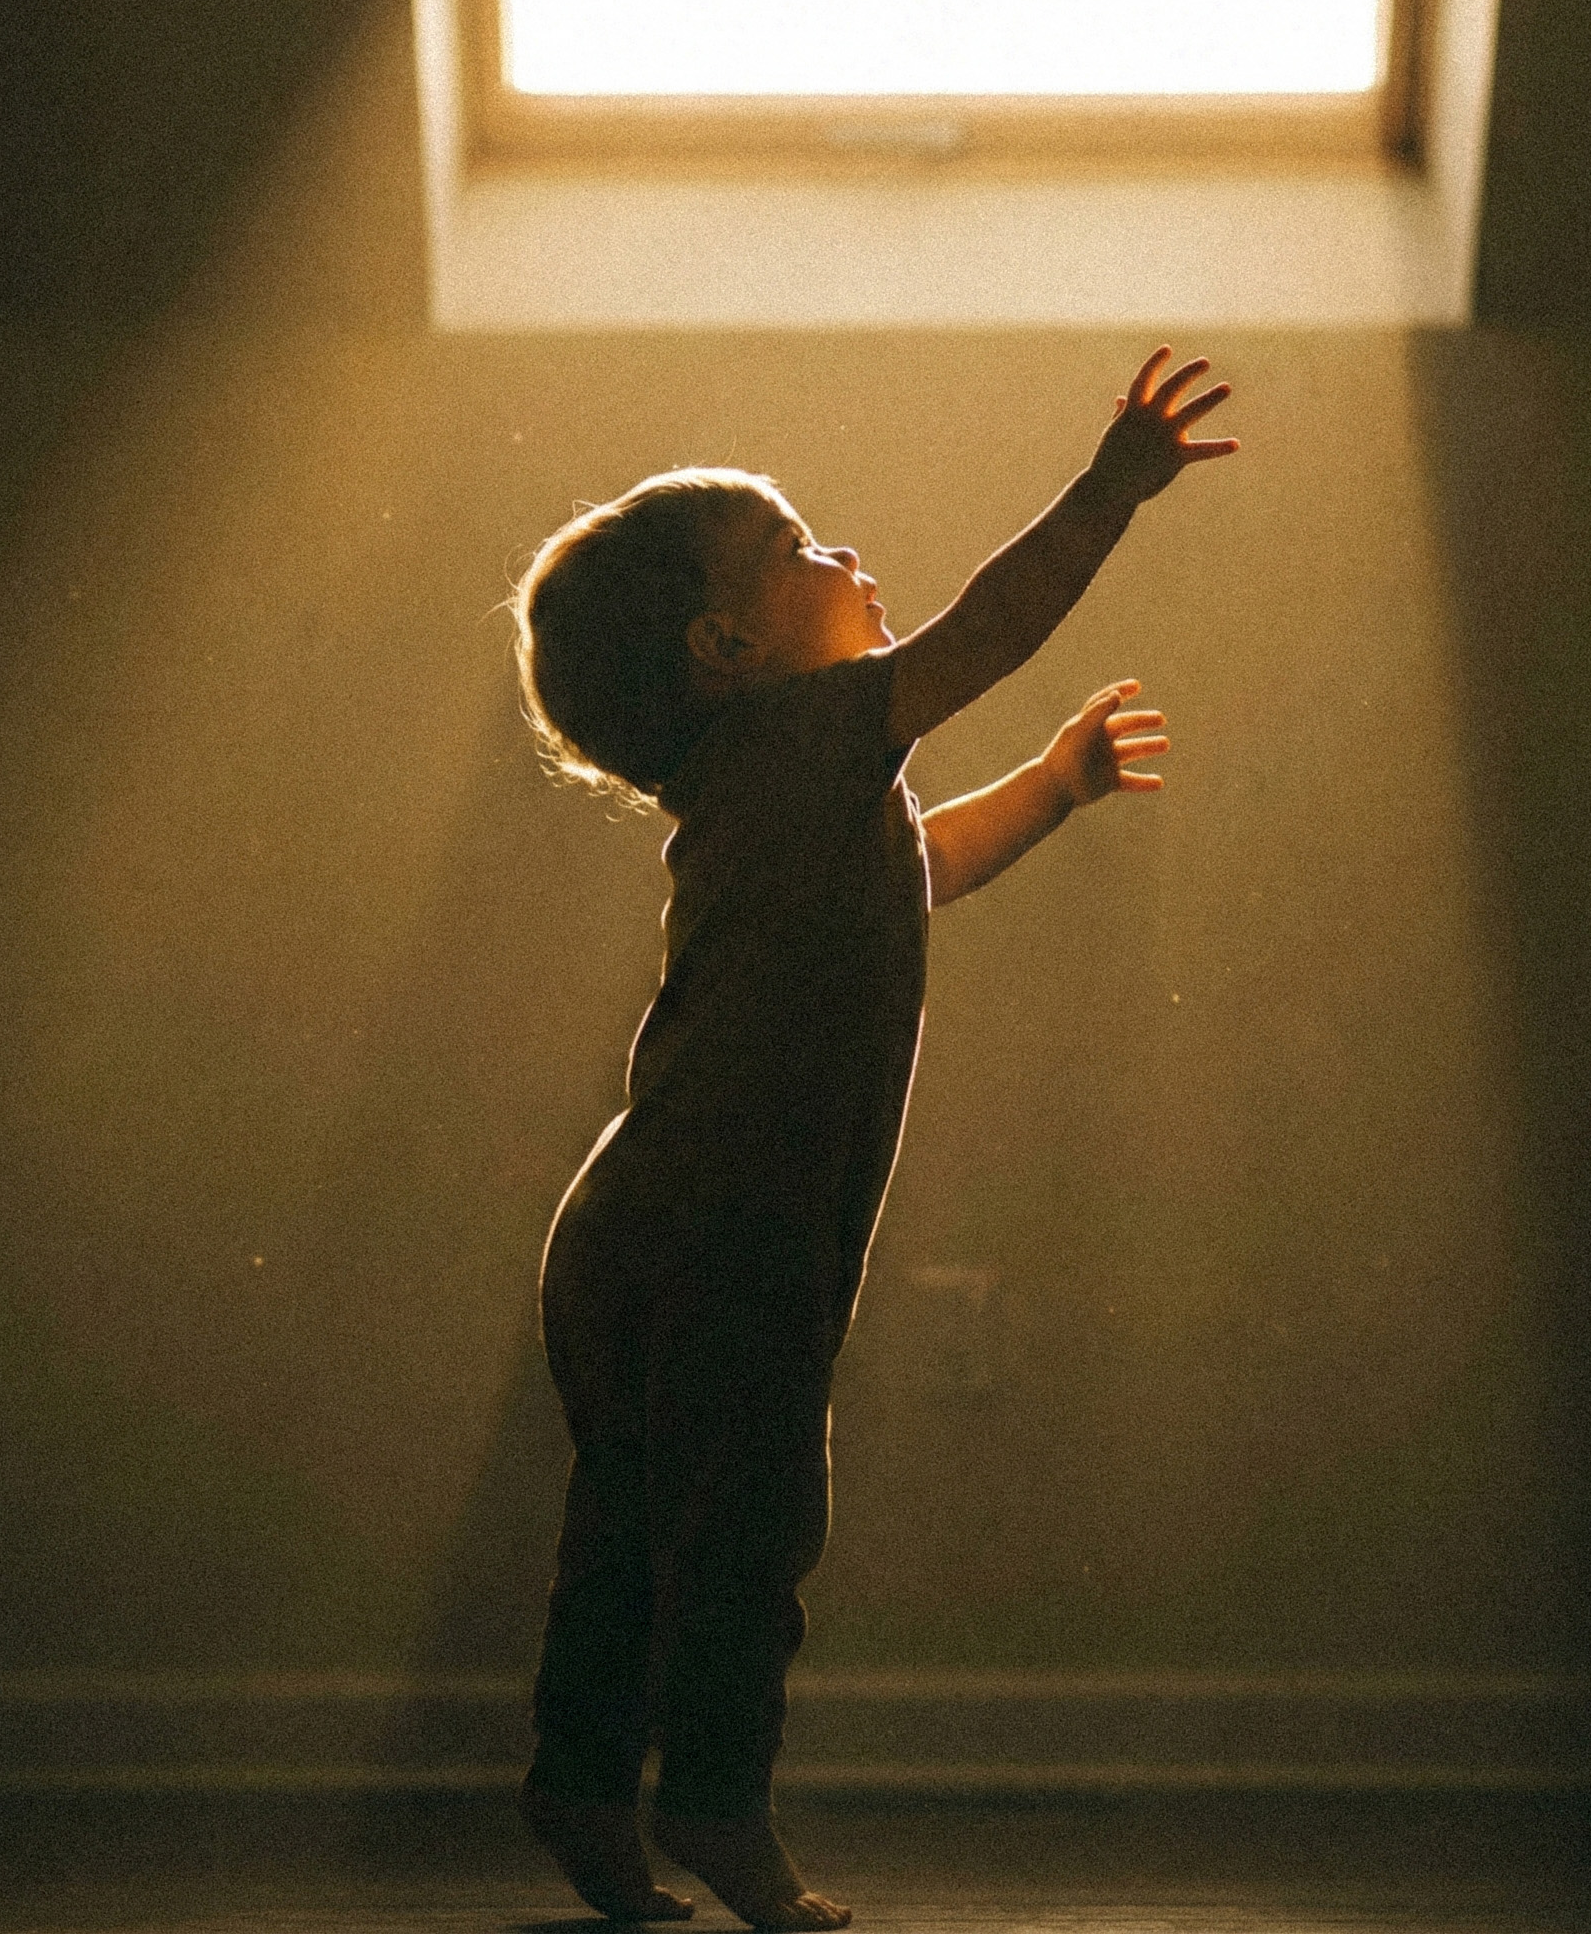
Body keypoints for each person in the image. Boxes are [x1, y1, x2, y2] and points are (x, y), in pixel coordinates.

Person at [507, 348, 1237, 1928]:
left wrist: (1047, 790)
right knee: (749, 1533)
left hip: (643, 1229)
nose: (846, 561)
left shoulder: (786, 790)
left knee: (636, 1526)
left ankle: (581, 1781)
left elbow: (923, 872)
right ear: (728, 648)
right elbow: (986, 629)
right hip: (716, 1234)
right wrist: (1107, 493)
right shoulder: (806, 744)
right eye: (801, 554)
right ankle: (710, 1801)